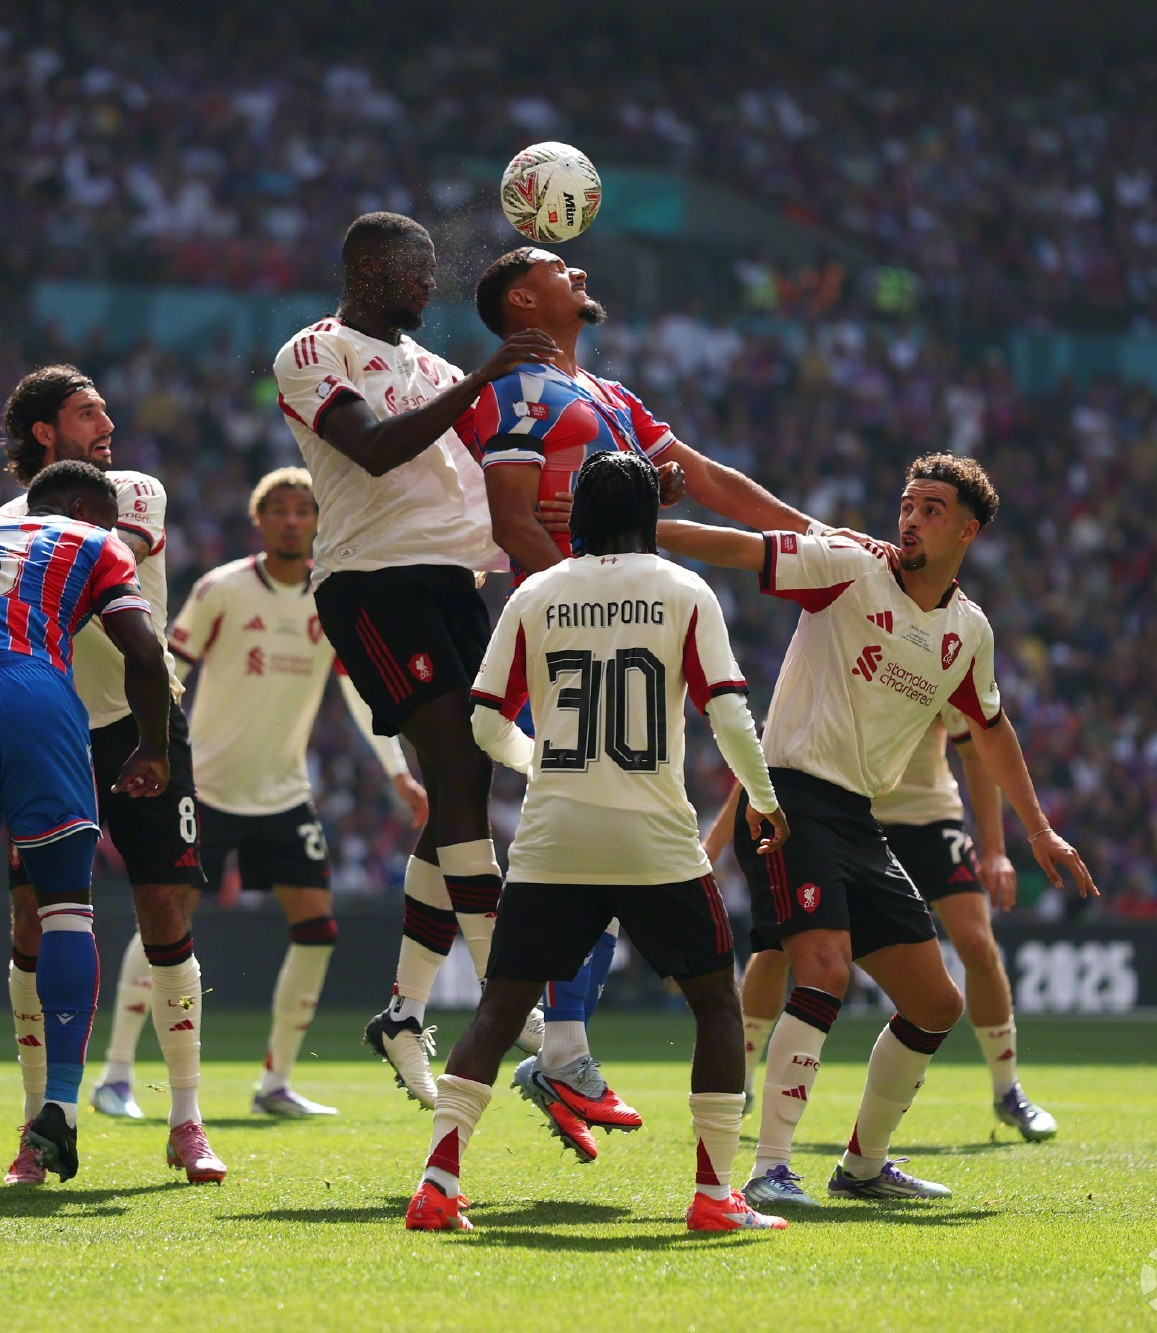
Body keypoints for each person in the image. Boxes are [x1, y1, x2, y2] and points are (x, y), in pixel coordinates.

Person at [658, 453, 1097, 1207]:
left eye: (931, 509)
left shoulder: (968, 630)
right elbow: (741, 546)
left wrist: (1038, 831)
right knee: (818, 967)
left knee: (936, 1004)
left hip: (859, 817)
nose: (910, 519)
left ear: (968, 530)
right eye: (907, 504)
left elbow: (991, 731)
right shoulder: (848, 564)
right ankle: (768, 1168)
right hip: (789, 797)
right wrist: (635, 529)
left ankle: (862, 1166)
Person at [462, 245, 826, 1154]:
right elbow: (511, 521)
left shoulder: (613, 400)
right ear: (521, 298)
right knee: (599, 846)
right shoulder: (517, 391)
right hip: (581, 648)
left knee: (591, 859)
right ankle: (555, 1051)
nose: (580, 273)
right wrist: (591, 608)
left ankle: (562, 1054)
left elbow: (708, 479)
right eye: (558, 267)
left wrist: (820, 538)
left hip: (608, 633)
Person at [403, 451, 791, 1234]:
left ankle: (438, 1182)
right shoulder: (685, 591)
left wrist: (538, 760)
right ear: (649, 518)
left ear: (576, 518)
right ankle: (715, 1196)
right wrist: (765, 798)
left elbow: (485, 724)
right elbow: (728, 716)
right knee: (717, 1003)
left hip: (555, 837)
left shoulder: (536, 593)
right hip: (653, 836)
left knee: (501, 1008)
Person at [271, 212, 559, 1109]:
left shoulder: (433, 370)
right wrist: (484, 376)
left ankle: (403, 1012)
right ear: (365, 269)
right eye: (413, 271)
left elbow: (498, 475)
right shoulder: (314, 351)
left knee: (465, 785)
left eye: (432, 271)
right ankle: (522, 1018)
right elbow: (376, 448)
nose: (428, 287)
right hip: (373, 585)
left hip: (455, 588)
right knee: (463, 782)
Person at [88, 467, 429, 1119]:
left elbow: (359, 692)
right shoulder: (223, 589)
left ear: (319, 520)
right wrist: (145, 747)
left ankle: (276, 1081)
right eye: (281, 509)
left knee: (317, 926)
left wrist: (396, 770)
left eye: (306, 509)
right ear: (259, 518)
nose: (295, 520)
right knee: (166, 919)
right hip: (208, 788)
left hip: (281, 793)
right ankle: (118, 1074)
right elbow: (166, 665)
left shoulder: (332, 599)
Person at [0, 460, 170, 1187]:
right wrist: (153, 746)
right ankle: (57, 1106)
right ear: (85, 506)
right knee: (65, 912)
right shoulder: (95, 541)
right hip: (35, 692)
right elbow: (142, 652)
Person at [0, 366, 224, 1186]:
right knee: (30, 919)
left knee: (164, 902)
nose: (109, 420)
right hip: (50, 731)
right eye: (88, 411)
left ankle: (187, 1119)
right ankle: (36, 1125)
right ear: (45, 432)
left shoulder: (134, 492)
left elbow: (89, 569)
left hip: (142, 720)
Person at [712, 718, 1059, 1144]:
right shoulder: (830, 658)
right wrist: (712, 845)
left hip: (930, 820)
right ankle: (740, 1084)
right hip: (849, 817)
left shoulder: (944, 657)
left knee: (975, 942)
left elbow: (978, 748)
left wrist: (995, 850)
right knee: (778, 947)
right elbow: (771, 750)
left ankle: (1008, 1090)